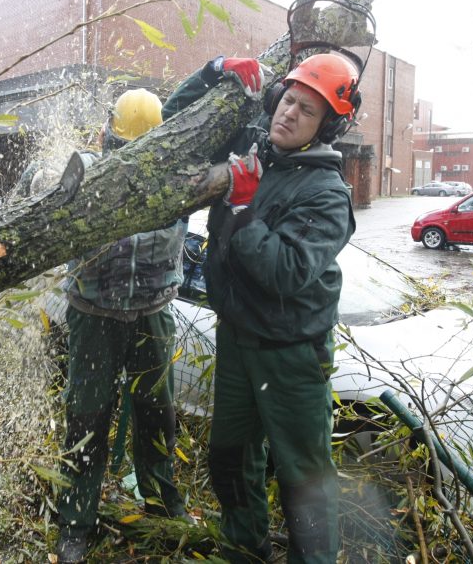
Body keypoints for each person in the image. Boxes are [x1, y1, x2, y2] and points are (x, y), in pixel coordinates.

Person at [164, 53, 359, 562]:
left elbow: (286, 272)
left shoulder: (326, 195)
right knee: (229, 459)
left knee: (303, 479)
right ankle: (244, 551)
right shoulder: (254, 143)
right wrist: (212, 69)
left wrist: (247, 211)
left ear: (327, 128)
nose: (289, 114)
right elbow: (173, 123)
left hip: (290, 351)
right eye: (288, 100)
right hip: (237, 338)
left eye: (307, 111)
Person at [55, 88, 191, 563]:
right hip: (94, 316)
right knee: (87, 417)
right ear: (107, 136)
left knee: (157, 414)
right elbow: (46, 182)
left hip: (152, 313)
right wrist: (50, 181)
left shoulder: (176, 176)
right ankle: (75, 520)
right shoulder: (91, 170)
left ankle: (161, 502)